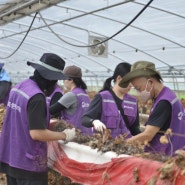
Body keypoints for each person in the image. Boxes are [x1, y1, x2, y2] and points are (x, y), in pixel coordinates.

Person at [0, 53, 76, 185]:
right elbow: (36, 133)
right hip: (28, 164)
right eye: (55, 80)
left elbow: (21, 119)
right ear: (50, 79)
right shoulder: (37, 97)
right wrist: (64, 135)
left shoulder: (18, 87)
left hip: (11, 158)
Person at [119, 60, 185, 156]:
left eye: (138, 88)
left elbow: (148, 135)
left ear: (150, 82)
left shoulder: (164, 102)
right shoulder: (168, 95)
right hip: (173, 153)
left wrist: (122, 144)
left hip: (165, 157)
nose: (138, 93)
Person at [82, 62, 141, 139]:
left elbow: (135, 128)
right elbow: (85, 119)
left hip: (126, 146)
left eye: (132, 82)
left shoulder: (133, 101)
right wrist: (94, 121)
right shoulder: (102, 97)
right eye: (129, 81)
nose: (131, 85)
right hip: (105, 147)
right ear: (119, 78)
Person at [49, 65, 93, 136]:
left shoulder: (71, 95)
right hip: (87, 135)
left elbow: (51, 111)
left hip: (74, 135)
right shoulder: (85, 94)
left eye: (64, 79)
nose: (63, 82)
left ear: (71, 80)